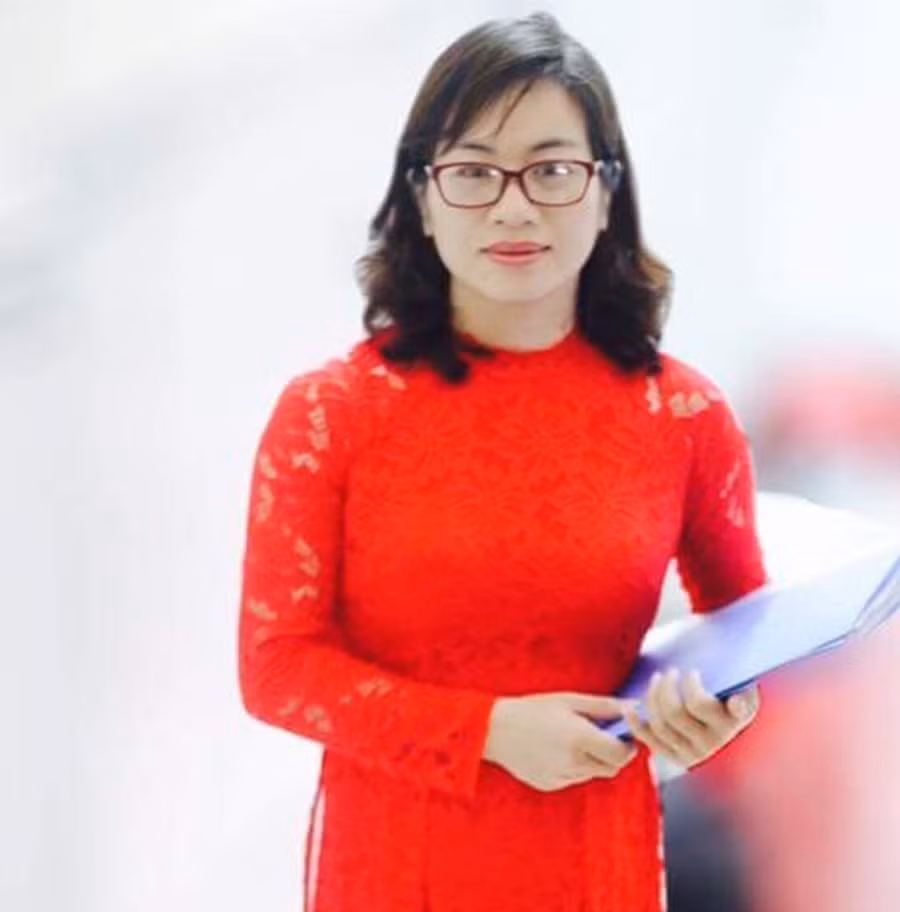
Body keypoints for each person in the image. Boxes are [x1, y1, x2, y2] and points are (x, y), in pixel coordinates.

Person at [237, 12, 767, 912]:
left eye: (552, 170)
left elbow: (748, 639)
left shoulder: (684, 414)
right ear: (422, 198)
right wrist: (485, 732)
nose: (514, 207)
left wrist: (718, 717)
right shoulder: (331, 413)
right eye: (475, 172)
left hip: (594, 866)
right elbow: (278, 668)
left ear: (606, 192)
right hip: (396, 870)